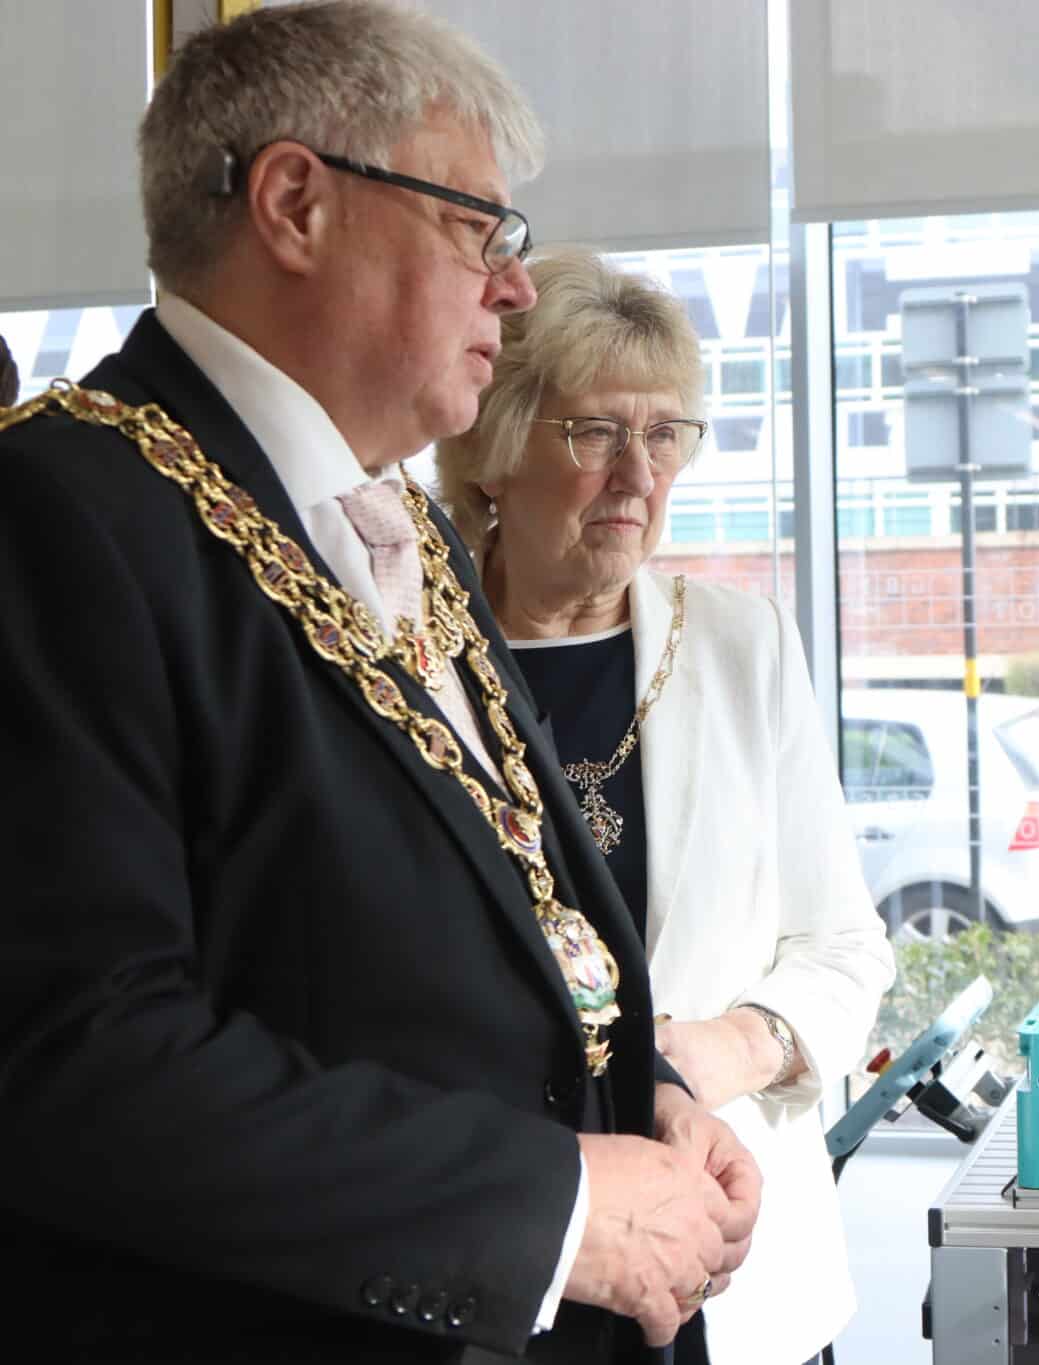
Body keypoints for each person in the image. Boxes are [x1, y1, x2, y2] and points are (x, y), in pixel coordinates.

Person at [0, 5, 760, 1361]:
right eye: (482, 228)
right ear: (297, 203)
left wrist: (626, 1090)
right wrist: (553, 1203)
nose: (516, 288)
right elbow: (77, 1057)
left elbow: (427, 946)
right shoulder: (59, 517)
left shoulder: (383, 508)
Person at [435, 246, 896, 1364]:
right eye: (594, 432)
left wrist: (704, 1055)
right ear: (494, 451)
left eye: (664, 434)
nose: (637, 474)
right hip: (496, 1249)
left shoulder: (740, 646)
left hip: (727, 1259)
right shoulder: (416, 654)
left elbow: (845, 950)